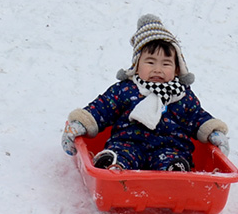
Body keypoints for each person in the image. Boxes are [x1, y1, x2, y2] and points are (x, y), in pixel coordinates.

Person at [60, 14, 229, 171]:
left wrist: (214, 132)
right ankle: (112, 165)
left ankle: (175, 172)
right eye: (150, 62)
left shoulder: (182, 95)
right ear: (136, 65)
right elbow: (102, 108)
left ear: (177, 68)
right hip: (129, 142)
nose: (158, 69)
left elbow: (197, 117)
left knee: (173, 158)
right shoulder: (126, 89)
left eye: (166, 64)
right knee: (121, 153)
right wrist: (79, 124)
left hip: (169, 146)